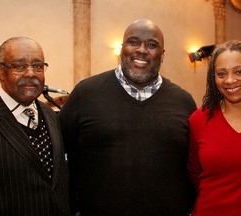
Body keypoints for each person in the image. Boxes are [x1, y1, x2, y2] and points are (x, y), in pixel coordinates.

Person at [59, 19, 197, 216]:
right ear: (122, 48)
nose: (141, 50)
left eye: (152, 45)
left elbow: (193, 167)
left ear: (162, 55)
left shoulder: (183, 102)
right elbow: (60, 156)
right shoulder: (85, 93)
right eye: (133, 42)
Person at [188, 40, 241, 216]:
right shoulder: (198, 120)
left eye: (240, 71)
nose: (229, 80)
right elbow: (194, 172)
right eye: (221, 73)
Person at [0, 37, 70, 215]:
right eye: (19, 66)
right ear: (0, 71)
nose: (31, 73)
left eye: (38, 66)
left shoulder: (51, 115)